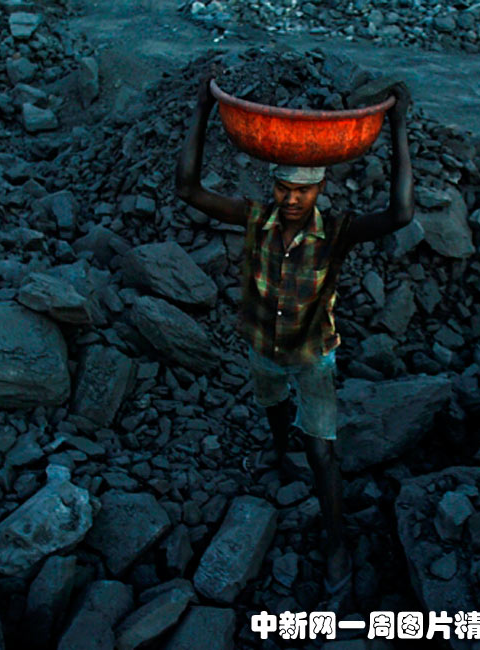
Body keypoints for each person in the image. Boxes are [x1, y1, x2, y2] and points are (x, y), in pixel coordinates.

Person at [175, 74, 414, 610]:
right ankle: (280, 453)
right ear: (273, 189)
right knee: (273, 406)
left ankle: (337, 547)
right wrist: (202, 109)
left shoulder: (337, 232)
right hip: (263, 345)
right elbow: (188, 189)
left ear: (319, 191)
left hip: (312, 356)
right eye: (283, 189)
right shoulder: (255, 220)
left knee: (321, 450)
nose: (291, 199)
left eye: (302, 191)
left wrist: (398, 125)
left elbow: (400, 214)